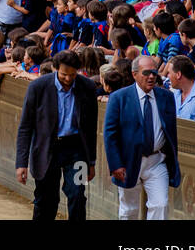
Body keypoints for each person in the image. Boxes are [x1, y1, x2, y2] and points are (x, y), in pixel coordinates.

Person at [14, 50, 99, 221]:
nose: (68, 79)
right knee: (46, 200)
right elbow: (25, 127)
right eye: (63, 74)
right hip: (46, 149)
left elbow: (91, 128)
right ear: (54, 69)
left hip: (77, 150)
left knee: (78, 196)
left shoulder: (88, 87)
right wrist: (21, 163)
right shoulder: (37, 87)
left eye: (72, 75)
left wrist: (91, 162)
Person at [103, 54, 182, 220]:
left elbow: (170, 131)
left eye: (154, 72)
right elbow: (110, 133)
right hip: (128, 161)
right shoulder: (119, 98)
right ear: (134, 74)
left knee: (160, 205)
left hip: (156, 160)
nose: (152, 76)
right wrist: (116, 164)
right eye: (146, 73)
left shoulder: (166, 96)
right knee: (129, 210)